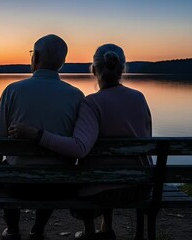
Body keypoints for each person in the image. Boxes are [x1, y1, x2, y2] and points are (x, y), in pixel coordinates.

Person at [9, 44, 152, 240]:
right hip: (140, 188)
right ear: (123, 69)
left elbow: (79, 148)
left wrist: (37, 134)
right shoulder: (139, 98)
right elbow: (146, 138)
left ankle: (91, 231)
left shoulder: (92, 103)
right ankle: (106, 228)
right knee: (104, 166)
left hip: (102, 191)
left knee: (90, 170)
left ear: (93, 70)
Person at [0, 34, 84, 240]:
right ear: (62, 62)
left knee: (7, 169)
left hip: (18, 185)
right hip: (57, 186)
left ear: (36, 57)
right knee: (54, 166)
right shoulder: (76, 95)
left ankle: (13, 229)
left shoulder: (13, 90)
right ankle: (38, 229)